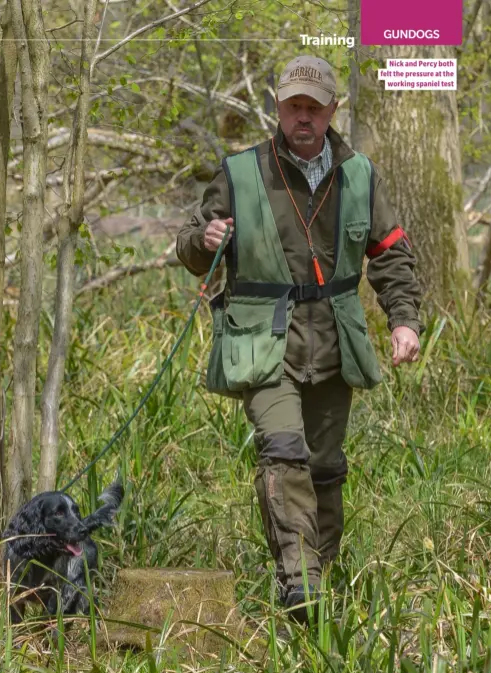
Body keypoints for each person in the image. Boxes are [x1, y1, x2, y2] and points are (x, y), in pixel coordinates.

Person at [176, 56, 423, 623]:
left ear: (334, 109)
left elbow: (390, 253)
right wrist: (206, 237)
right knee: (282, 451)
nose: (303, 117)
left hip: (337, 341)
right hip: (263, 343)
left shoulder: (359, 174)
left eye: (314, 107)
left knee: (326, 467)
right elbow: (192, 246)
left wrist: (403, 319)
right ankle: (300, 581)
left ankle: (320, 582)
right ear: (278, 108)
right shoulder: (240, 172)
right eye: (294, 107)